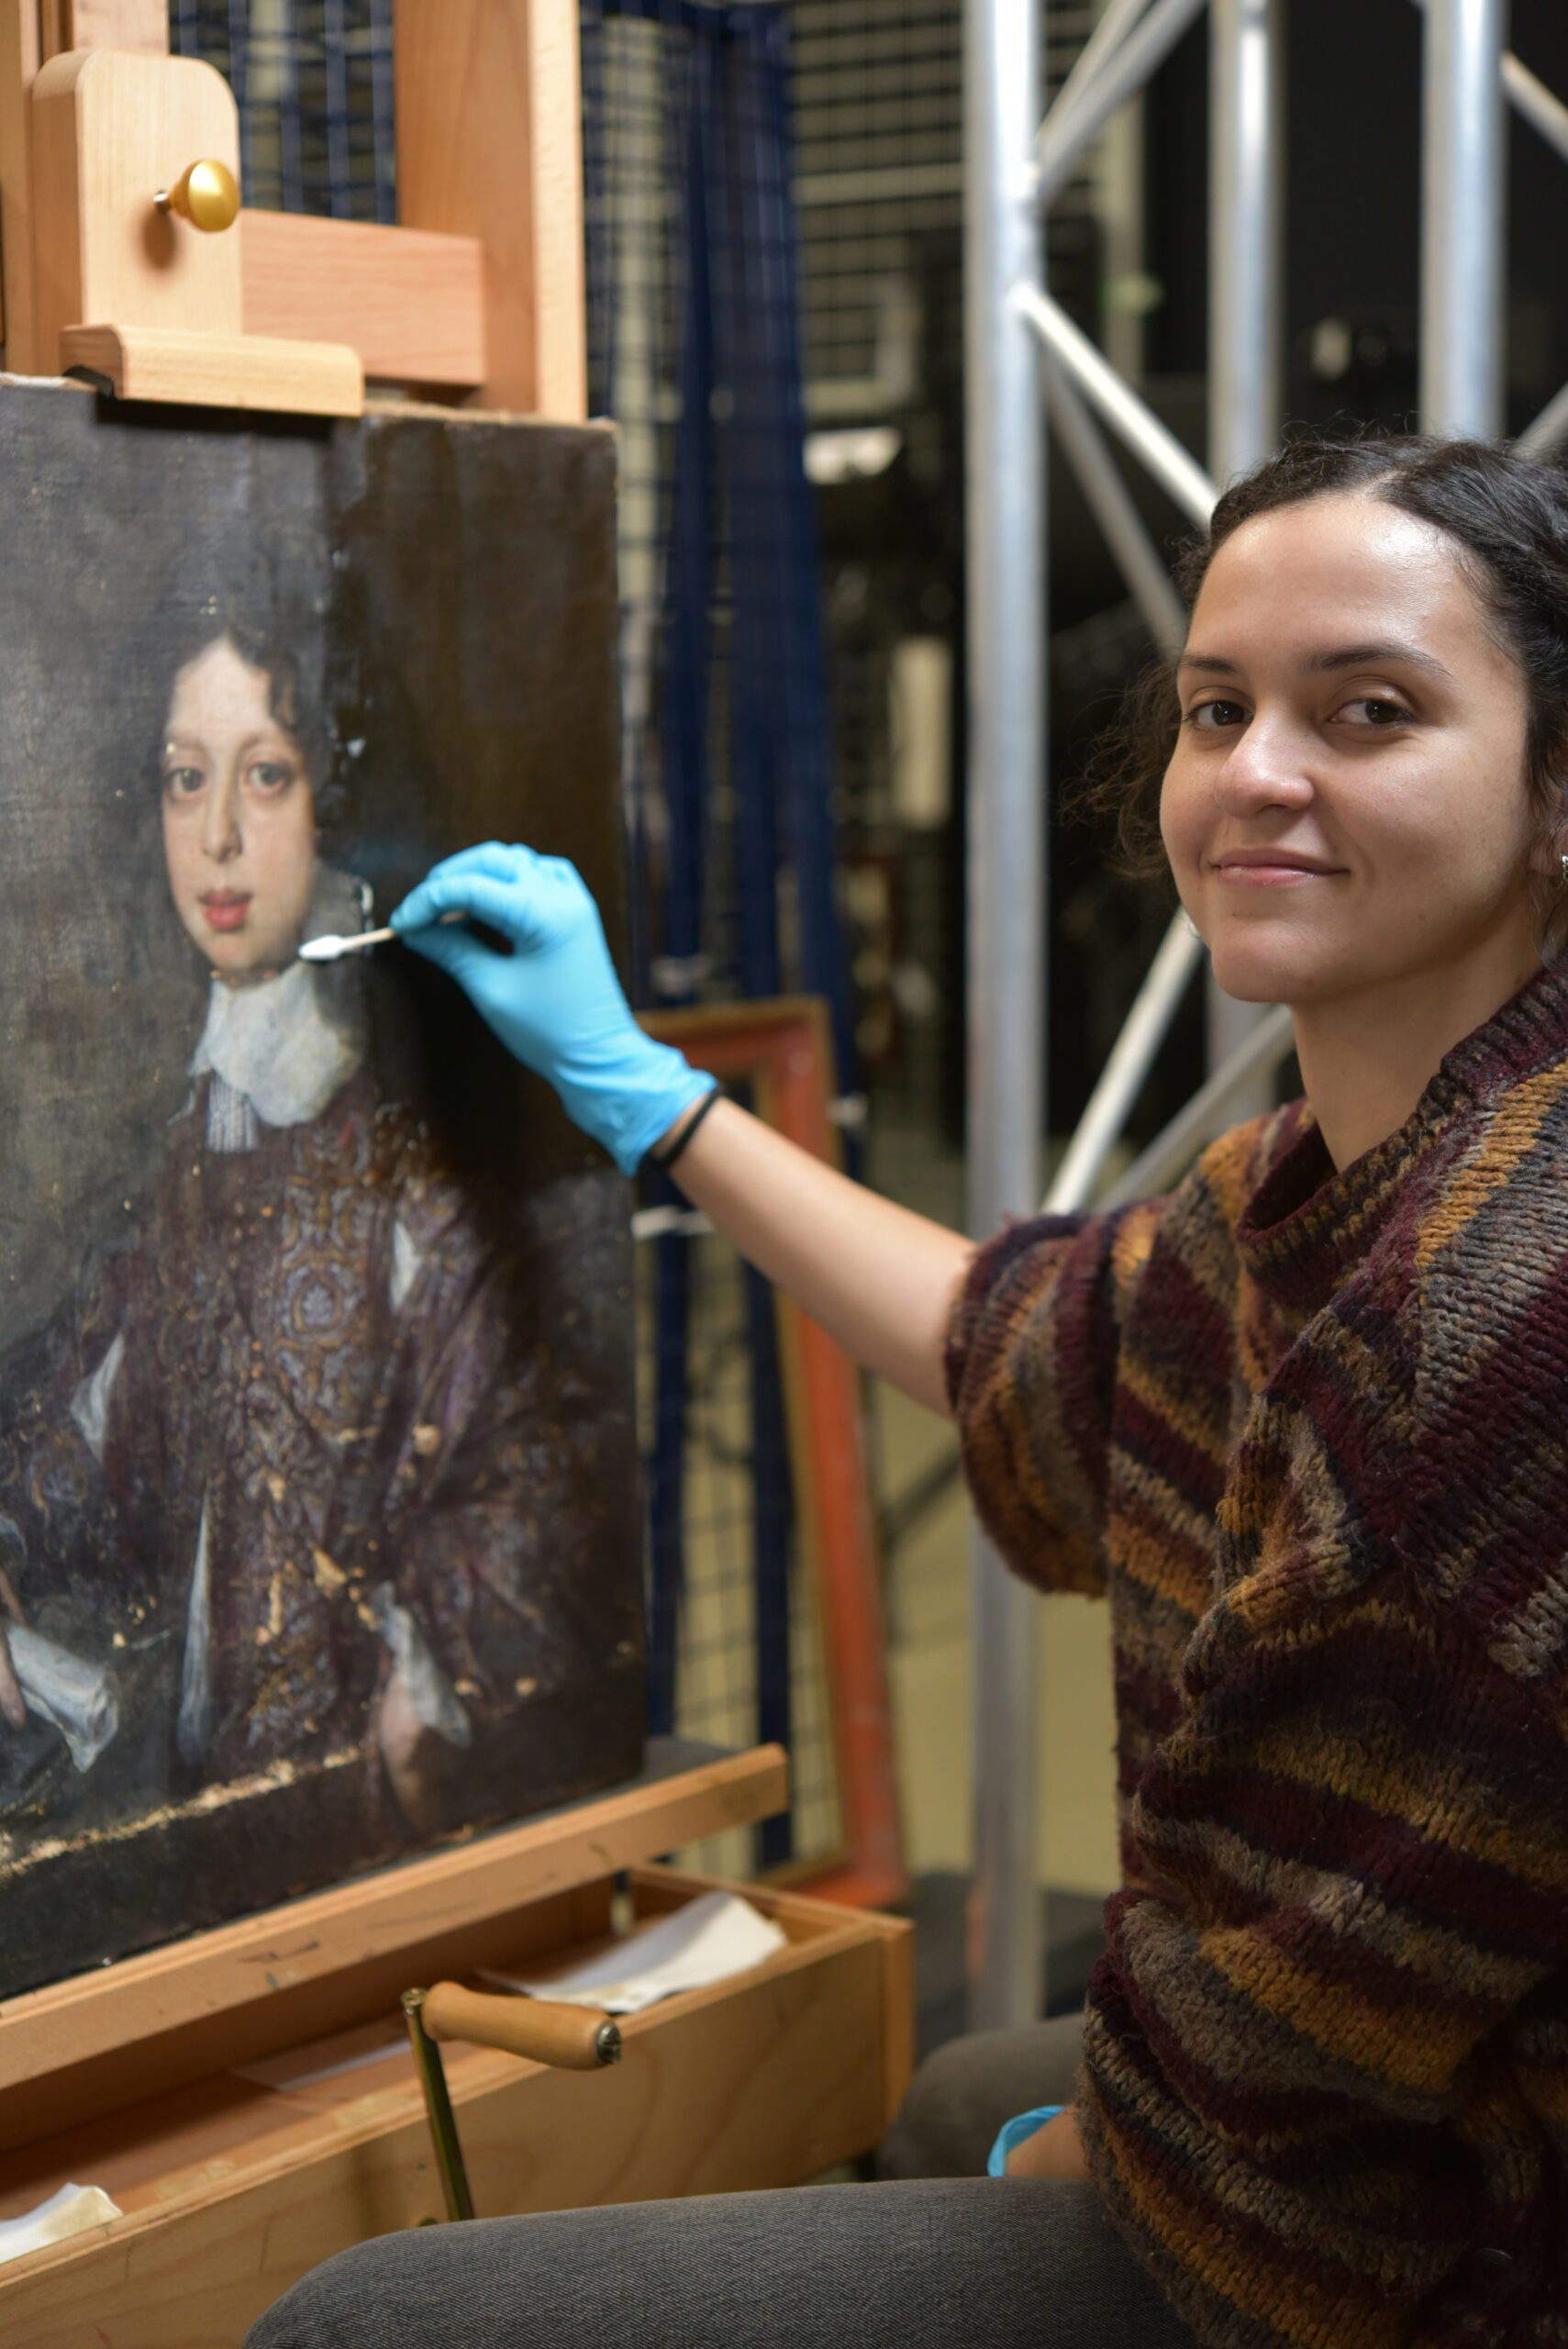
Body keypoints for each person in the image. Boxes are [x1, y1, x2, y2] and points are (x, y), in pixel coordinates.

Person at [246, 432, 1568, 2349]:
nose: (1260, 773)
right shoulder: (1319, 1189)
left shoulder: (1495, 1313)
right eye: (1219, 707)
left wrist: (1080, 2160)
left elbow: (1287, 2092)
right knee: (958, 2093)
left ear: (1552, 788)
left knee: (366, 2323)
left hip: (1471, 2258)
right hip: (1392, 2110)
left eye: (1370, 709)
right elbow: (1035, 1350)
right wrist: (647, 1093)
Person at [0, 585, 638, 1866]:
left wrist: (421, 1676)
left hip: (362, 1851)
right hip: (185, 1827)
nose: (220, 838)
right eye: (187, 781)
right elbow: (90, 1426)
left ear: (333, 796)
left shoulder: (409, 1153)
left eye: (267, 776)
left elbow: (534, 1469)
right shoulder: (189, 1142)